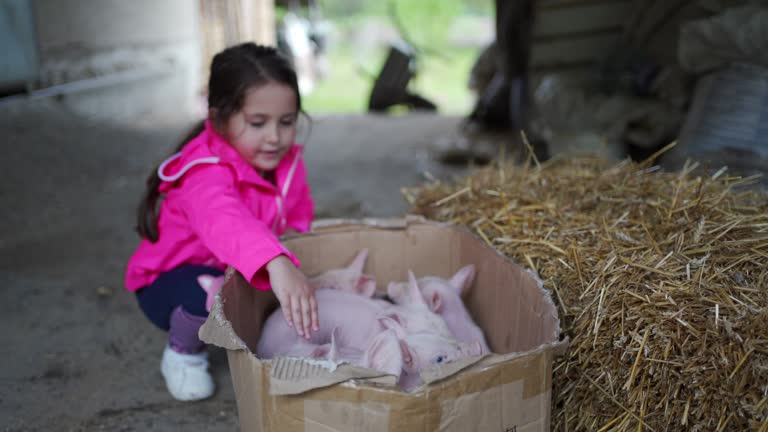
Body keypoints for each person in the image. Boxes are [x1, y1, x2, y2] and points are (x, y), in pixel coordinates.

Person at [125, 43, 319, 402]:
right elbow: (226, 221)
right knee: (209, 290)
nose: (275, 137)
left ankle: (248, 309)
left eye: (287, 122)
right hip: (175, 282)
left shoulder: (288, 163)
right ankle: (183, 354)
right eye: (258, 123)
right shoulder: (204, 173)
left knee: (294, 280)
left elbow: (297, 218)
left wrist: (293, 259)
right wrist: (275, 262)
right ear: (218, 118)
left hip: (241, 268)